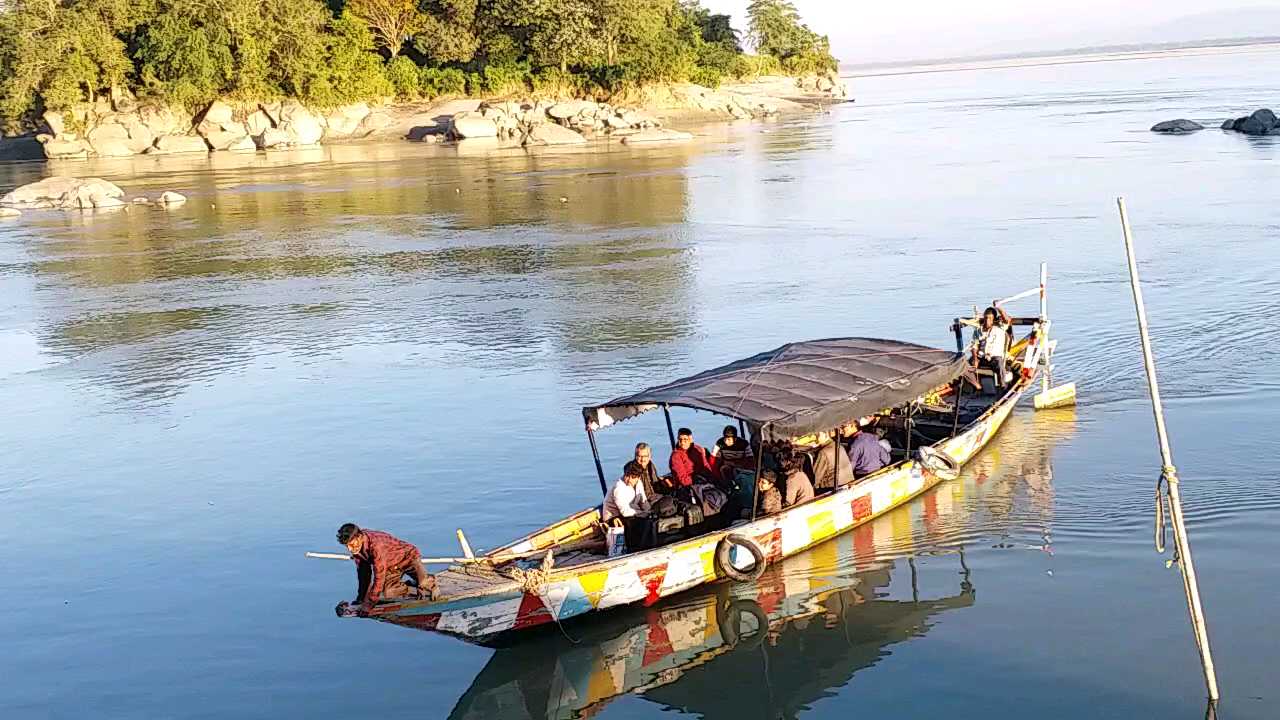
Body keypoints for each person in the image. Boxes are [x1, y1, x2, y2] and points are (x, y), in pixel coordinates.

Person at [336, 523, 435, 616]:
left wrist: (369, 604)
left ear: (360, 537)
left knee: (425, 586)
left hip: (408, 558)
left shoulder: (376, 546)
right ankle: (413, 587)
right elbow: (363, 574)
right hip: (391, 566)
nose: (350, 549)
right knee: (389, 592)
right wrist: (361, 598)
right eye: (347, 546)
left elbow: (379, 576)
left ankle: (428, 582)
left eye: (352, 545)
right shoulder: (357, 548)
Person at [973, 304, 1012, 387]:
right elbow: (974, 346)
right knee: (967, 364)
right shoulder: (978, 331)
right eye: (986, 318)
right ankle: (974, 385)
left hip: (994, 358)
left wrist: (999, 307)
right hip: (982, 358)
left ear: (993, 319)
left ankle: (1003, 386)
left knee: (999, 364)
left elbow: (1007, 320)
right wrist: (975, 359)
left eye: (990, 318)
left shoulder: (999, 328)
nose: (987, 320)